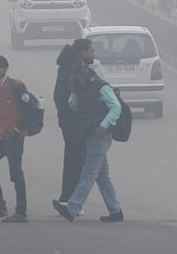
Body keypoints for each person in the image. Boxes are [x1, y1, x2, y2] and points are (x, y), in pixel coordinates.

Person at [53, 41, 124, 223]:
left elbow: (115, 107)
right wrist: (77, 99)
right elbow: (72, 103)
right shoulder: (81, 87)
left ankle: (72, 207)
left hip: (99, 134)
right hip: (91, 133)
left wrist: (103, 125)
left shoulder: (100, 86)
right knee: (101, 175)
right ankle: (115, 211)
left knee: (88, 173)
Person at [0, 55, 31, 223]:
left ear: (5, 68)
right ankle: (0, 206)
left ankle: (21, 211)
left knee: (16, 173)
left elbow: (29, 109)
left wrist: (18, 129)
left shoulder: (16, 86)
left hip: (14, 137)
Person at [54, 41, 86, 203]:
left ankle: (67, 197)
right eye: (91, 51)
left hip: (67, 122)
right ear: (82, 52)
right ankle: (71, 200)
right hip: (75, 123)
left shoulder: (65, 67)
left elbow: (58, 97)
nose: (93, 55)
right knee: (78, 162)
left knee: (71, 159)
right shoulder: (77, 69)